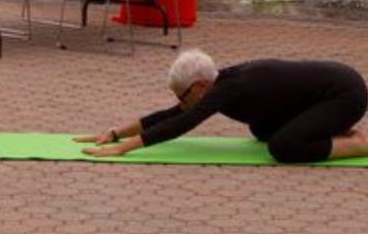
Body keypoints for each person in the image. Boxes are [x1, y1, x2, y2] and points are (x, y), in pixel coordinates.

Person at [77, 49, 368, 163]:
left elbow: (181, 124)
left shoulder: (227, 90)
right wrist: (115, 133)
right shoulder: (217, 85)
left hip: (345, 94)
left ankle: (357, 144)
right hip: (321, 96)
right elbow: (171, 115)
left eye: (183, 95)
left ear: (200, 86)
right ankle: (330, 126)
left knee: (283, 148)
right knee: (262, 129)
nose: (180, 102)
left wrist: (124, 149)